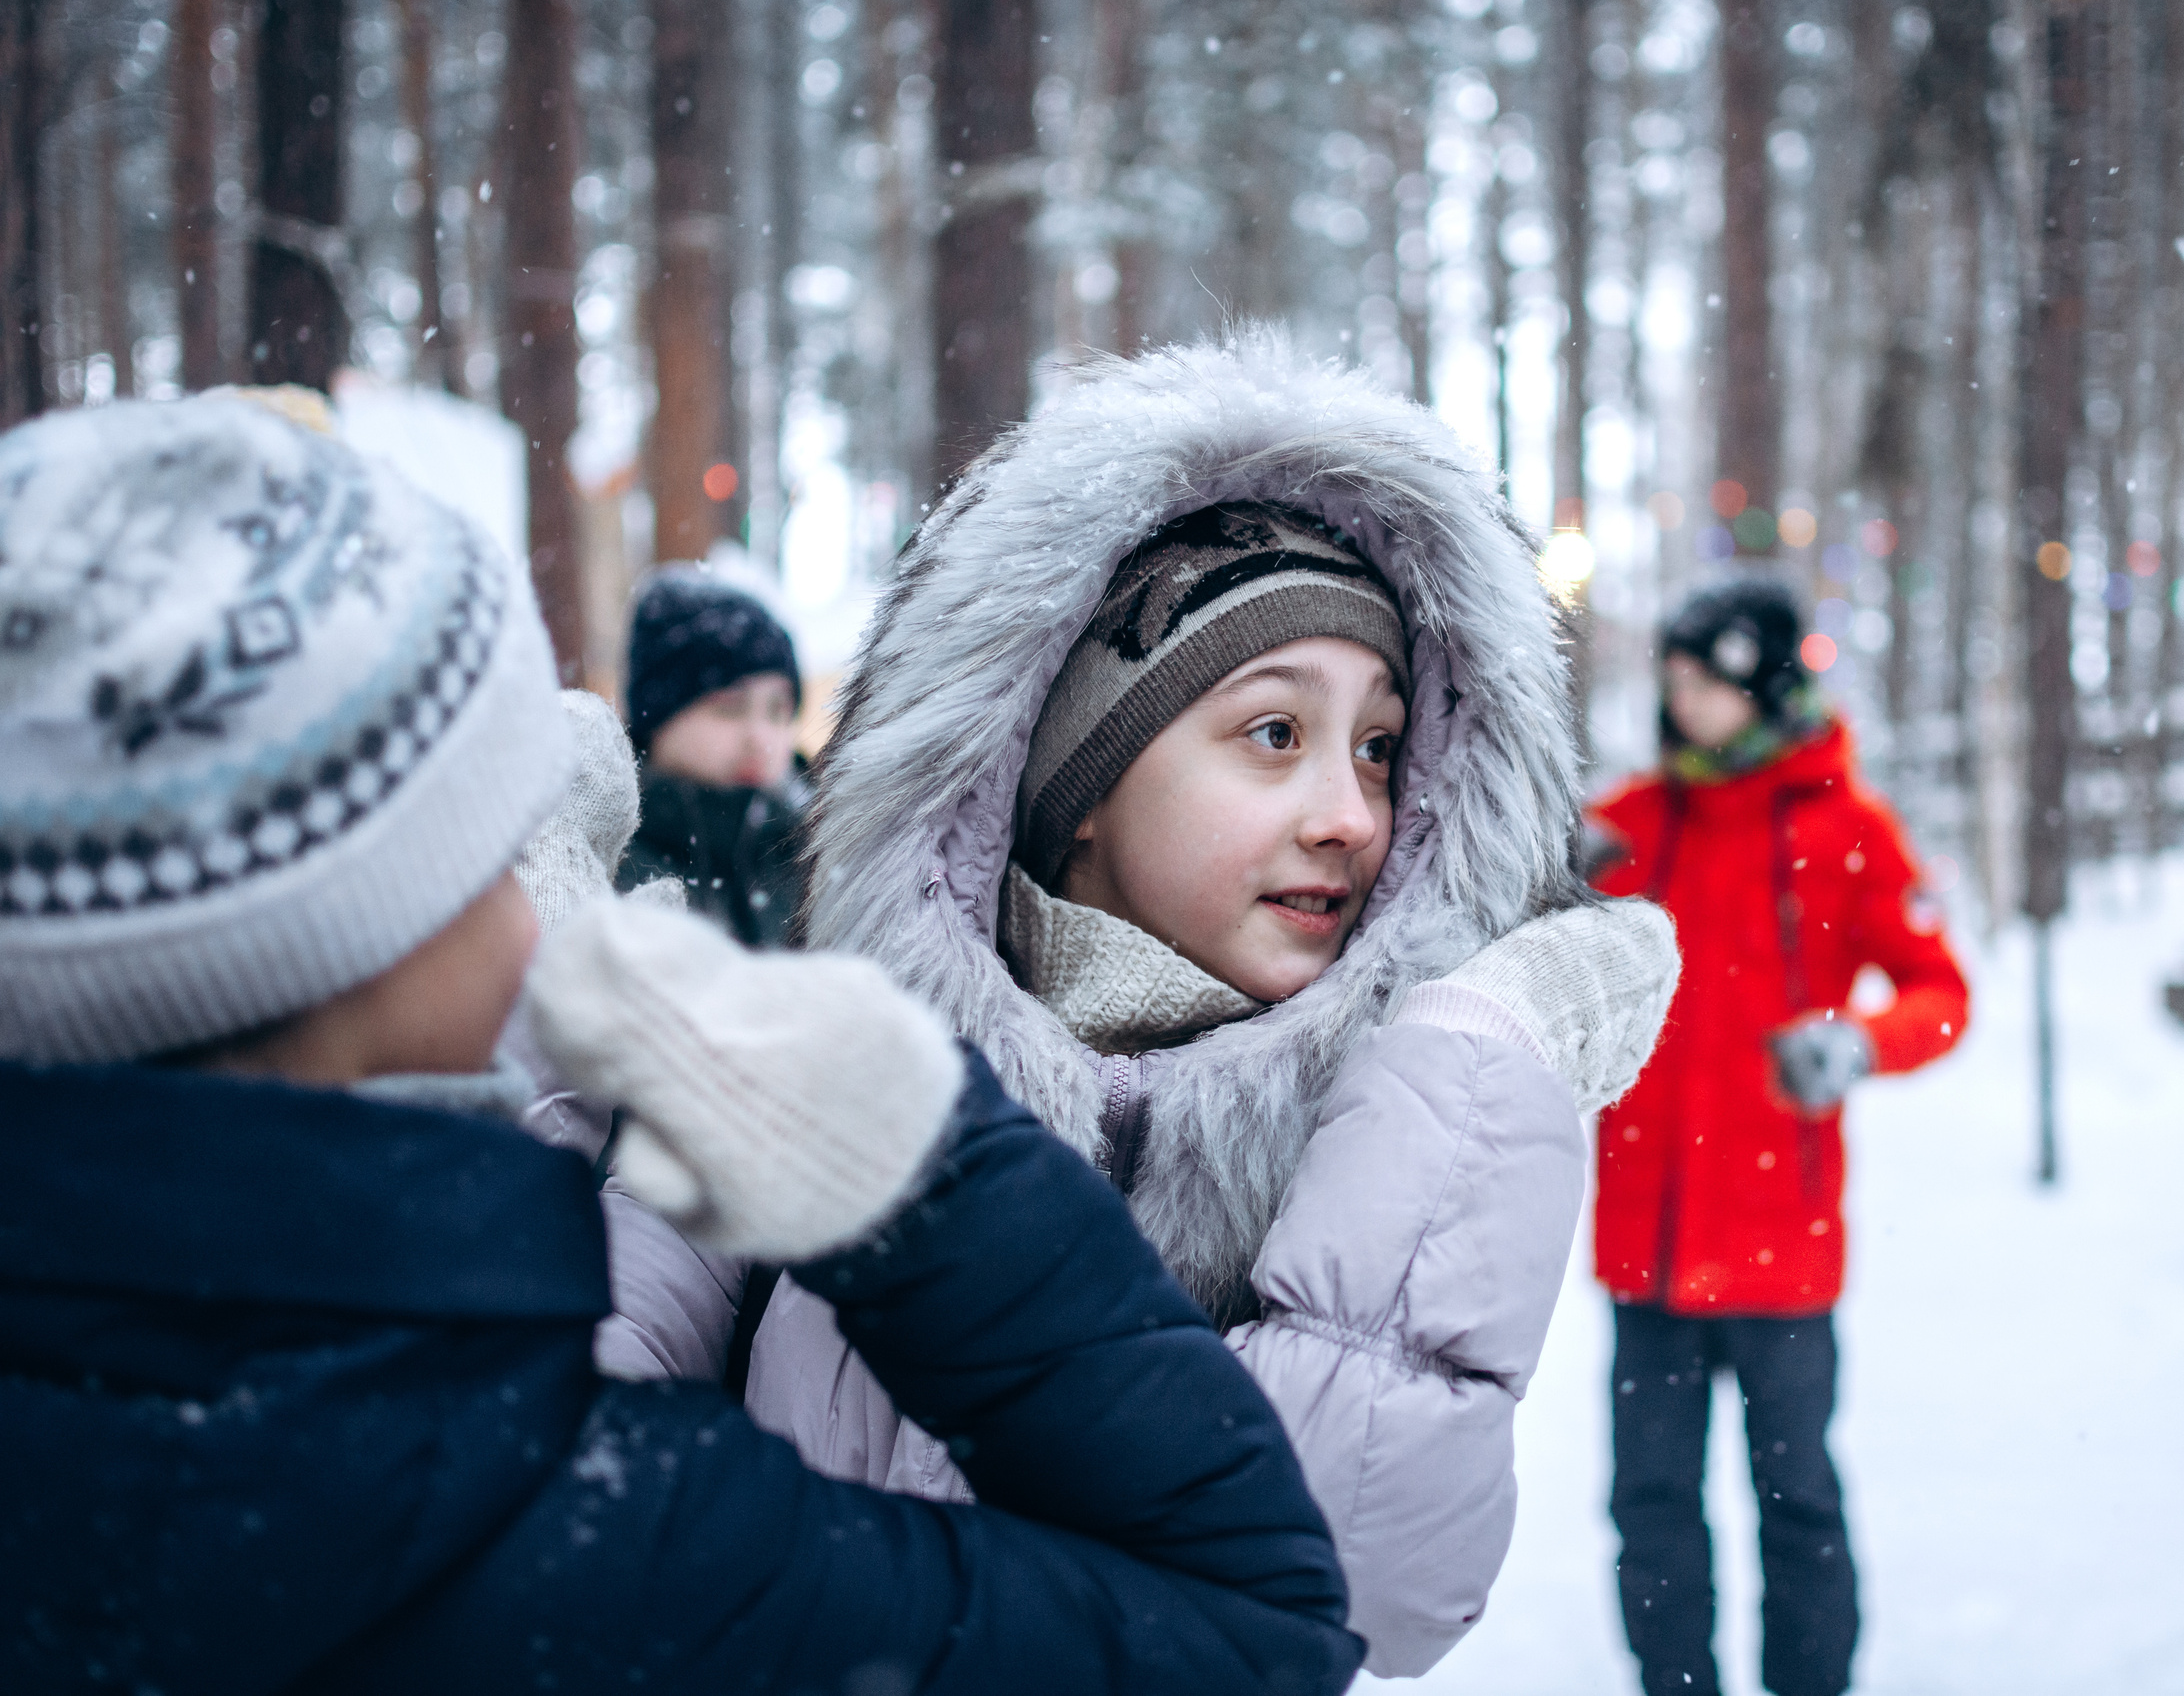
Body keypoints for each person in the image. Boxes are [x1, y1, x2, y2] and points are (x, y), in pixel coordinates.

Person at [0, 398, 1366, 1696]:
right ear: (369, 932)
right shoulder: (577, 1549)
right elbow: (1243, 1621)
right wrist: (917, 1163)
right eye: (494, 843)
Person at [595, 334, 1682, 1677]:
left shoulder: (1375, 1150)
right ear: (1082, 781)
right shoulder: (828, 1065)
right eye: (1274, 732)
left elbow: (1370, 1574)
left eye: (1380, 748)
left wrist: (1471, 1062)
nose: (1353, 815)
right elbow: (581, 1455)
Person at [1585, 577, 1971, 1696]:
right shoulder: (1629, 826)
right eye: (1672, 678)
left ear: (1763, 685)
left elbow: (1940, 992)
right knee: (1650, 1504)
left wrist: (1860, 1043)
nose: (1682, 701)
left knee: (1796, 1501)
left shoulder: (1846, 830)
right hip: (1646, 1245)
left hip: (1778, 1244)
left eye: (1704, 679)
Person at [615, 567, 805, 948]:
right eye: (730, 708)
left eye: (777, 712)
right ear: (657, 719)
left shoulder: (822, 850)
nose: (760, 739)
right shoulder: (605, 861)